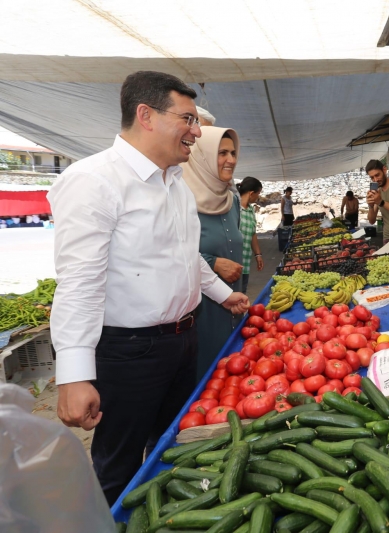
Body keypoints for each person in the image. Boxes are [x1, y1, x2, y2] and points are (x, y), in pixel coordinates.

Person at [48, 71, 250, 506]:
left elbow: (186, 257)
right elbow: (80, 282)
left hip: (183, 342)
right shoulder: (94, 181)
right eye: (188, 119)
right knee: (118, 468)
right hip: (129, 354)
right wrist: (75, 375)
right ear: (146, 115)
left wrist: (220, 293)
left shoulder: (174, 183)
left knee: (172, 452)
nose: (197, 132)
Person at [181, 126, 247, 384]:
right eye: (221, 153)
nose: (231, 159)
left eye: (233, 152)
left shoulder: (232, 201)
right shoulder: (183, 201)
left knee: (232, 379)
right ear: (203, 157)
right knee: (207, 382)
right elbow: (172, 254)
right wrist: (213, 263)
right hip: (202, 313)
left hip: (233, 304)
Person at [238, 176, 264, 294]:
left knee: (242, 292)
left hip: (245, 262)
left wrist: (258, 254)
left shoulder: (251, 210)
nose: (258, 197)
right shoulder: (234, 208)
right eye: (258, 193)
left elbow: (252, 234)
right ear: (252, 193)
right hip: (232, 261)